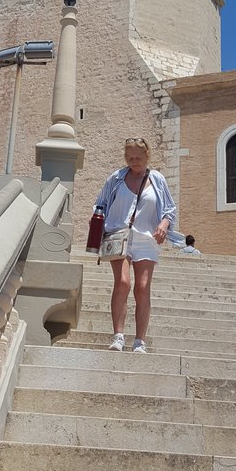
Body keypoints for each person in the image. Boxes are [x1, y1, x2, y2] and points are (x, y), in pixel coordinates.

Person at [93, 137, 176, 354]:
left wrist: (164, 224)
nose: (134, 161)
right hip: (118, 235)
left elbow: (169, 209)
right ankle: (118, 336)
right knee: (122, 282)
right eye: (129, 158)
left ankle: (140, 341)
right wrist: (96, 221)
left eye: (138, 157)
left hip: (146, 239)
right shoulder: (116, 178)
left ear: (147, 156)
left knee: (142, 288)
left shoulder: (157, 180)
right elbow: (100, 203)